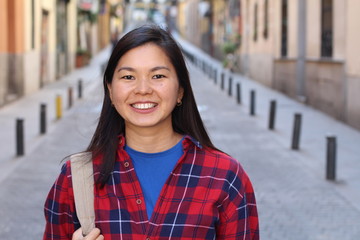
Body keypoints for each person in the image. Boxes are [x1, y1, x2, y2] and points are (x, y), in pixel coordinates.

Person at [43, 25, 259, 240]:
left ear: (180, 90)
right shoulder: (77, 178)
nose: (143, 89)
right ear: (110, 89)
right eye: (128, 77)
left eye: (157, 76)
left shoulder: (224, 176)